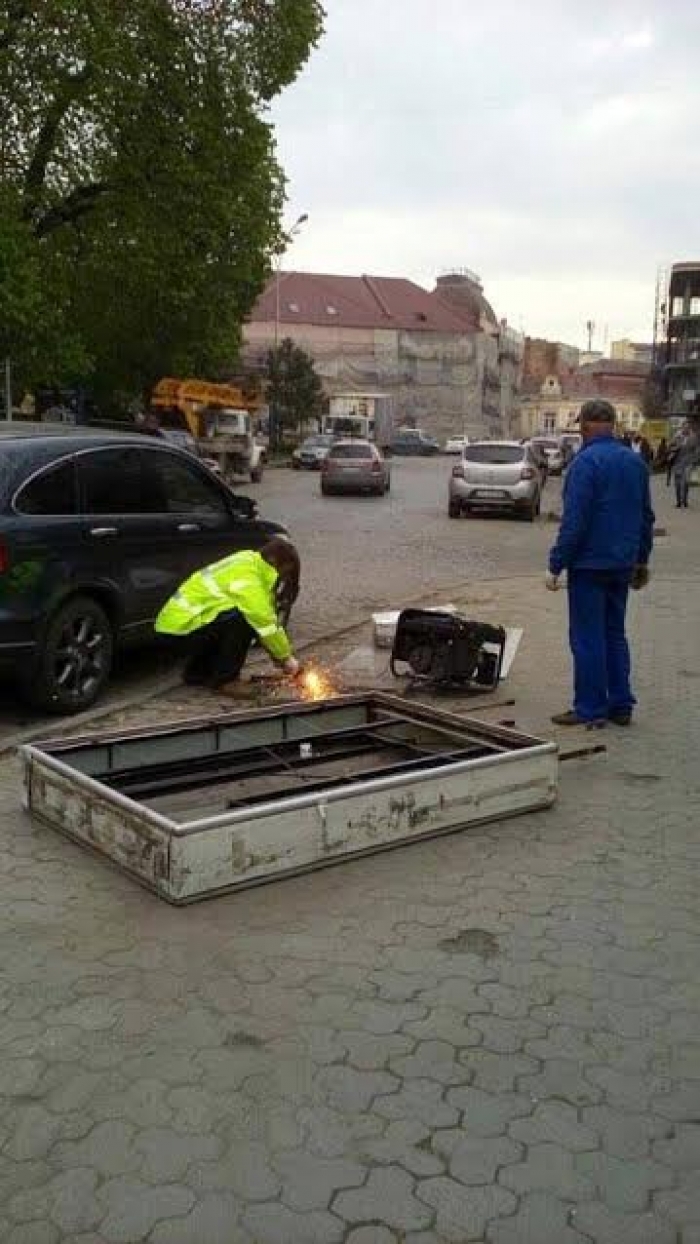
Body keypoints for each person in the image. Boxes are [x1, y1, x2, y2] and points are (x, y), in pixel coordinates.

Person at [546, 399, 655, 728]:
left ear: (585, 426)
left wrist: (556, 563)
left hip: (589, 565)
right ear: (613, 425)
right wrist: (641, 560)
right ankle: (621, 704)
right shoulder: (634, 463)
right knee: (614, 633)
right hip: (622, 562)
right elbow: (646, 518)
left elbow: (575, 521)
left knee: (587, 636)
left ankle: (590, 708)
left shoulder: (585, 463)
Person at [155, 537, 301, 690]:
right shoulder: (249, 576)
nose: (285, 575)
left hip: (177, 626)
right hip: (181, 630)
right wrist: (286, 658)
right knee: (242, 619)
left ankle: (197, 673)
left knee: (227, 619)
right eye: (287, 570)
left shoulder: (248, 560)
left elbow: (266, 618)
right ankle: (226, 681)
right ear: (274, 561)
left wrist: (277, 656)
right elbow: (264, 621)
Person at [671, 424, 700, 508]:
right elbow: (670, 447)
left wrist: (694, 461)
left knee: (685, 483)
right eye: (684, 428)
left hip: (688, 464)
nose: (685, 429)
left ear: (689, 429)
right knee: (677, 484)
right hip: (677, 464)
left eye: (687, 428)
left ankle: (684, 501)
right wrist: (675, 448)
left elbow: (697, 450)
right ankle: (678, 502)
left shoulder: (693, 438)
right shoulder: (677, 437)